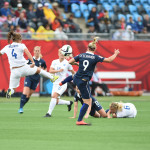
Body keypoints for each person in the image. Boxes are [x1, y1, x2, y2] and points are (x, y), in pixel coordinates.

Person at [69, 37, 120, 125]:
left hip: (76, 78)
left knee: (86, 98)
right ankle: (79, 120)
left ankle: (85, 112)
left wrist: (76, 63)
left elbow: (69, 62)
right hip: (83, 81)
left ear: (87, 48)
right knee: (87, 101)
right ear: (95, 49)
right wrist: (115, 53)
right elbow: (109, 60)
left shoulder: (81, 55)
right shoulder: (95, 57)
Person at [0, 31, 58, 99]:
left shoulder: (7, 47)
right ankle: (52, 77)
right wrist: (33, 62)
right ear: (19, 40)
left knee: (13, 89)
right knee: (39, 70)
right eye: (21, 40)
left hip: (14, 71)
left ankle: (9, 91)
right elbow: (28, 53)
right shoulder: (21, 45)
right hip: (23, 67)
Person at [44, 48, 75, 117]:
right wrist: (58, 71)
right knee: (56, 101)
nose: (61, 54)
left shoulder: (67, 63)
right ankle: (68, 103)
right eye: (60, 53)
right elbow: (50, 70)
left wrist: (75, 79)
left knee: (54, 96)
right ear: (58, 54)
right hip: (55, 83)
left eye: (63, 53)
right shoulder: (54, 61)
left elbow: (73, 73)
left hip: (63, 83)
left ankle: (48, 113)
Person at [18, 46, 47, 113]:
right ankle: (20, 108)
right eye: (35, 51)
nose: (37, 52)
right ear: (33, 51)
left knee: (29, 95)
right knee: (25, 93)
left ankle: (22, 105)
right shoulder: (29, 60)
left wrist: (42, 71)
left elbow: (45, 69)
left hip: (36, 80)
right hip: (29, 77)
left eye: (38, 51)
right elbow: (24, 67)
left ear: (40, 51)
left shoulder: (42, 61)